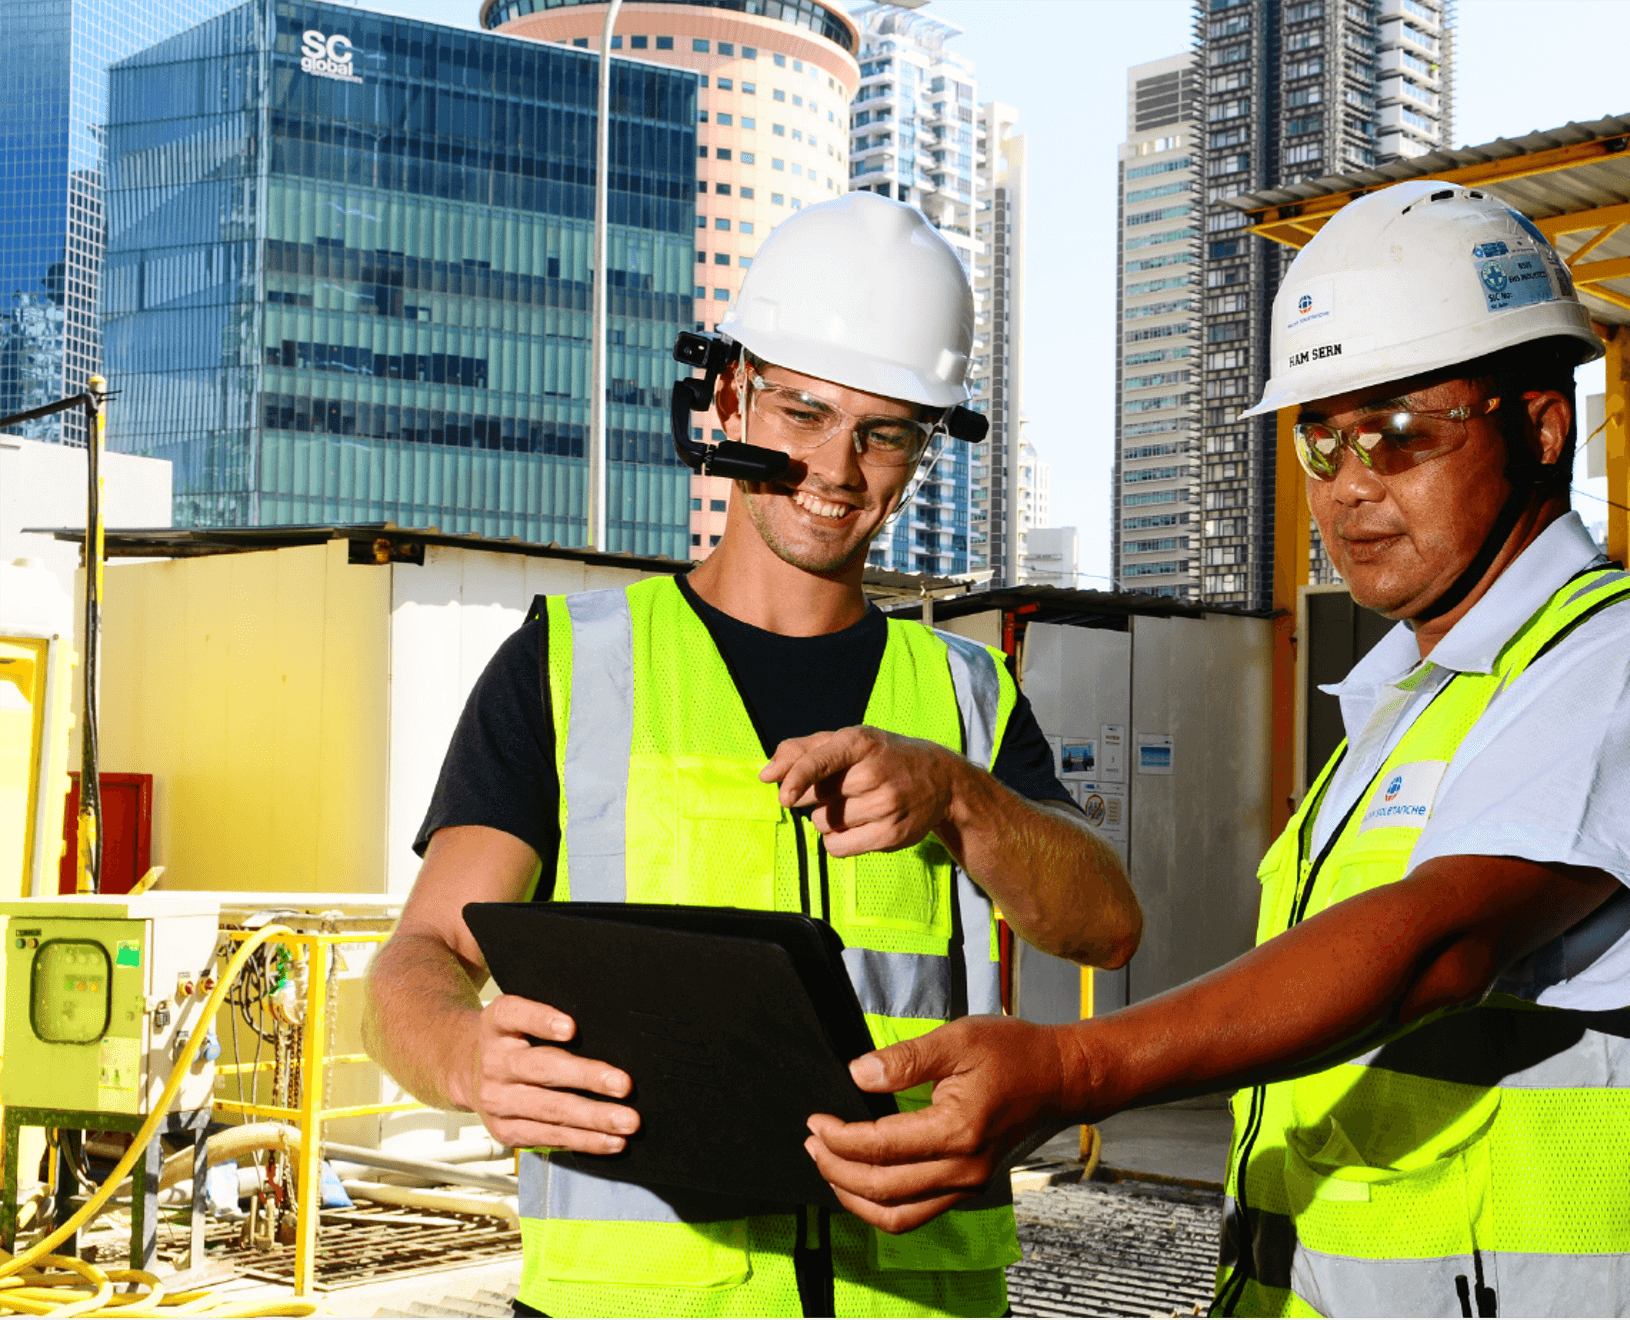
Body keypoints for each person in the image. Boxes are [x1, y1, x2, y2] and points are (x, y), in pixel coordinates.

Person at [803, 180, 1630, 1319]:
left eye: (1402, 432)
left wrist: (1074, 1069)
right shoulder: (1403, 710)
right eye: (1323, 436)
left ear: (1539, 426)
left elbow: (1438, 947)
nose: (1351, 485)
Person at [361, 192, 1143, 1320]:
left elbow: (1105, 924)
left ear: (923, 450)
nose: (836, 469)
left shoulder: (964, 695)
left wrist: (962, 800)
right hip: (637, 1300)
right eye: (802, 412)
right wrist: (461, 1054)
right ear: (730, 395)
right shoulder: (570, 664)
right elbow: (421, 955)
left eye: (884, 433)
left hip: (912, 1296)